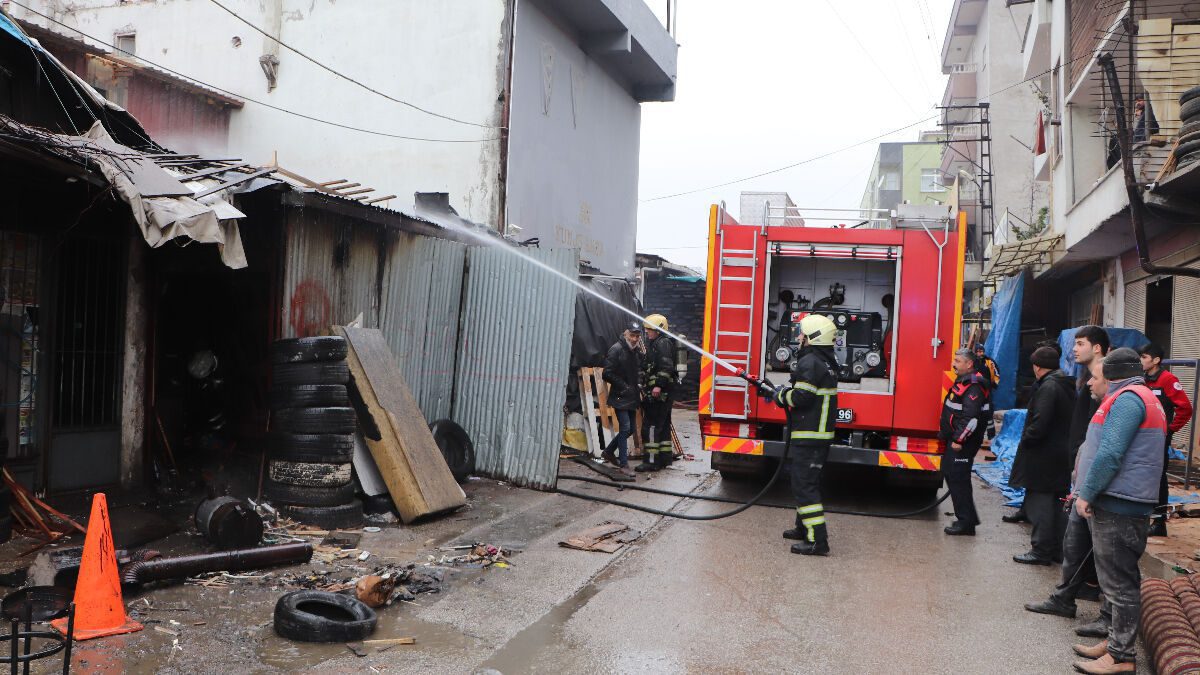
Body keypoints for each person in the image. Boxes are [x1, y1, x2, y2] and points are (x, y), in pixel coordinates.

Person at [1070, 348, 1167, 674]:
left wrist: (1087, 493)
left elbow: (1110, 453)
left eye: (1098, 375)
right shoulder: (1140, 396)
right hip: (1122, 500)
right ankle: (1114, 643)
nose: (1091, 382)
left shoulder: (1128, 400)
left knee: (1119, 583)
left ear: (1112, 375)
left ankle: (1121, 656)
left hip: (1119, 503)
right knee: (1117, 578)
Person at [1025, 326, 1111, 624]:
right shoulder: (1086, 379)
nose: (1074, 349)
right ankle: (1065, 597)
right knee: (1076, 540)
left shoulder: (1108, 386)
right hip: (1080, 466)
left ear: (1097, 348)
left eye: (1080, 343)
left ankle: (1103, 607)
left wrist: (1090, 477)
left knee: (1098, 544)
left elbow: (1105, 440)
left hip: (1092, 474)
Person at [772, 314, 840, 556]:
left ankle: (817, 541)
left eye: (803, 334)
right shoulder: (825, 361)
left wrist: (780, 396)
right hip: (816, 435)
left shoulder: (810, 362)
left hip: (811, 436)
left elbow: (802, 397)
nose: (799, 337)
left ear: (813, 338)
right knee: (805, 483)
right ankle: (803, 528)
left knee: (804, 486)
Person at [1010, 346, 1076, 565]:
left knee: (1040, 505)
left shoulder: (1048, 387)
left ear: (1037, 367)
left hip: (1043, 456)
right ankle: (1057, 550)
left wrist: (1027, 439)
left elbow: (1040, 423)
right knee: (1057, 504)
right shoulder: (1065, 383)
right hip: (1060, 454)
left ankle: (1041, 550)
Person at [1139, 342, 1194, 537]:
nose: (1140, 361)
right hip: (1142, 438)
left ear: (1156, 360)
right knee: (1142, 476)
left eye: (1144, 357)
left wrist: (1170, 429)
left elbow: (1185, 408)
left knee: (1158, 478)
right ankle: (1143, 518)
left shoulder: (1168, 380)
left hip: (1159, 438)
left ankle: (1159, 522)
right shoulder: (1142, 379)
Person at [939, 348, 992, 536]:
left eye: (958, 361)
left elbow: (971, 418)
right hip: (956, 439)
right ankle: (967, 518)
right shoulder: (965, 381)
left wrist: (958, 439)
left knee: (958, 479)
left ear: (969, 364)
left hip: (963, 442)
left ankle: (966, 523)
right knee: (952, 474)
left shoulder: (974, 386)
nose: (954, 364)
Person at [635, 314, 676, 473]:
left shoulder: (663, 343)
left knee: (650, 427)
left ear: (659, 330)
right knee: (663, 426)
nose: (647, 332)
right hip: (662, 393)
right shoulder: (655, 343)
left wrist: (658, 386)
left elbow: (666, 367)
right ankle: (665, 459)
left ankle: (651, 462)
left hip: (660, 394)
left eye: (650, 329)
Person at [600, 322, 643, 473]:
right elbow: (606, 373)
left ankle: (608, 452)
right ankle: (624, 464)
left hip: (631, 396)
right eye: (632, 335)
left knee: (630, 429)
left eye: (637, 336)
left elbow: (637, 371)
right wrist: (624, 386)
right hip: (620, 396)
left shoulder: (635, 351)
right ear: (625, 334)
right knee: (625, 428)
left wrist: (639, 383)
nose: (635, 339)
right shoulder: (616, 349)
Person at [974, 342, 1000, 440]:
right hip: (974, 390)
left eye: (981, 351)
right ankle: (975, 434)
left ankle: (991, 435)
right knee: (974, 411)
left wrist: (994, 384)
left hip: (987, 390)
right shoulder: (972, 362)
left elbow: (996, 373)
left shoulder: (989, 361)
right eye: (978, 351)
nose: (980, 353)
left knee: (988, 412)